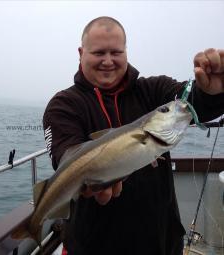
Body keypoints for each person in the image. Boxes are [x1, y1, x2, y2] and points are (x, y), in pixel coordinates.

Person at [42, 16, 224, 255]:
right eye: (99, 53)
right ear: (81, 52)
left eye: (116, 52)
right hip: (93, 246)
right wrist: (91, 183)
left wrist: (213, 92)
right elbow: (65, 156)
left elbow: (191, 104)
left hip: (162, 243)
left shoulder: (154, 90)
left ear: (126, 51)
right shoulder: (64, 105)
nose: (108, 61)